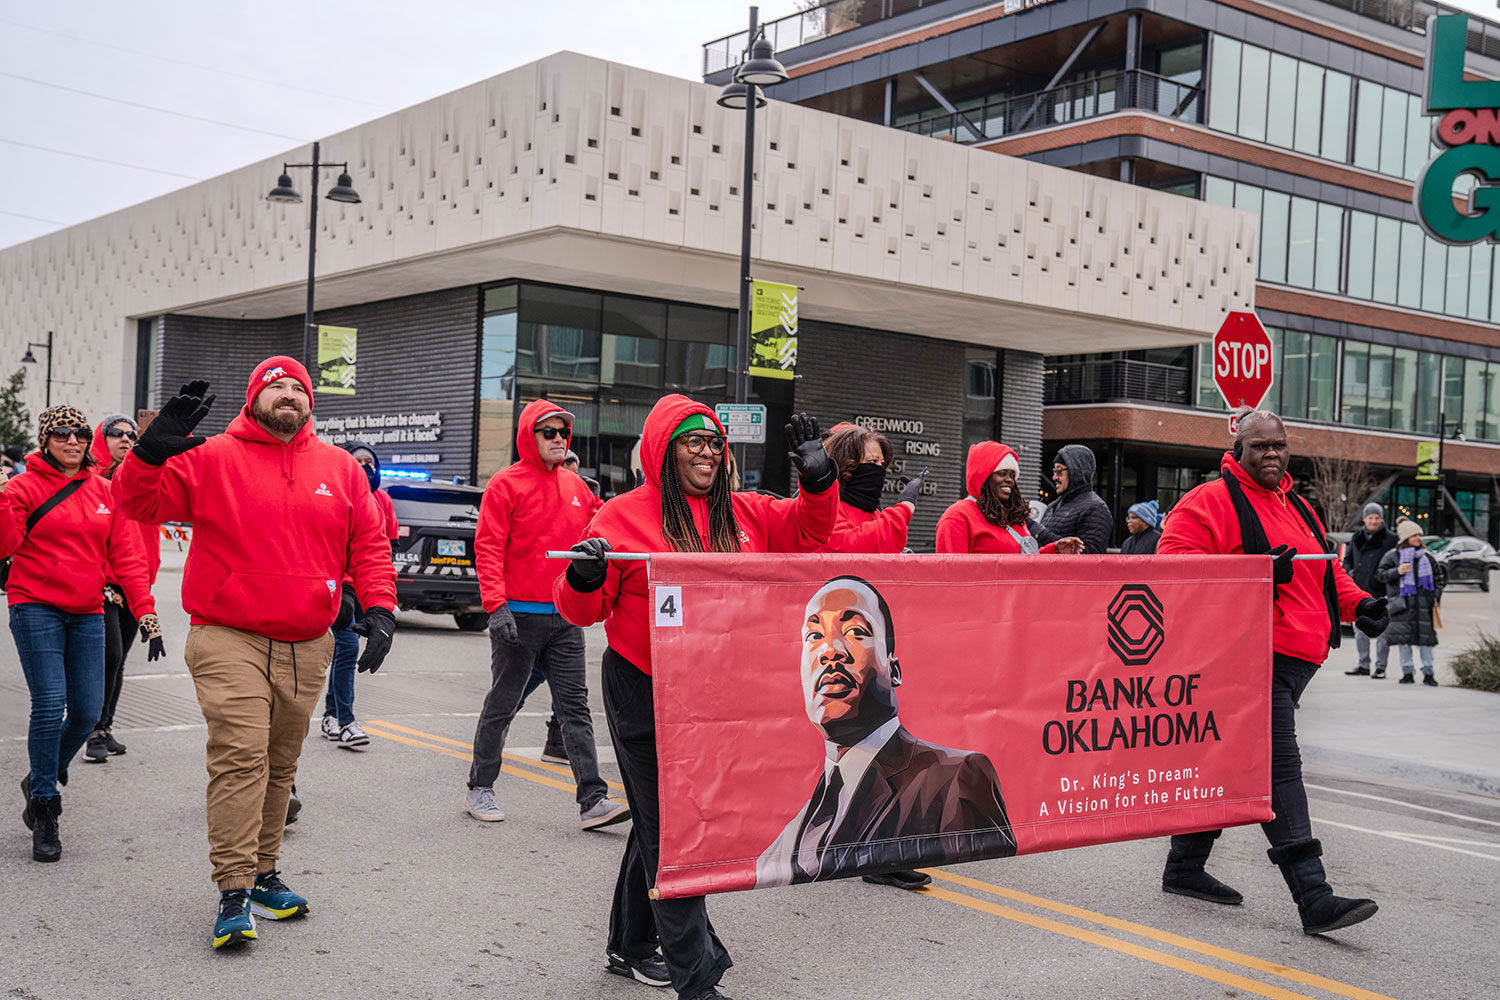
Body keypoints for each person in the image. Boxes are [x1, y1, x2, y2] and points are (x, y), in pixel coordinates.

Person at [554, 398, 839, 1000]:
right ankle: (696, 978)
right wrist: (582, 578)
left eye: (714, 443)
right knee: (677, 833)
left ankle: (629, 944)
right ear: (664, 452)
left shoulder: (745, 512)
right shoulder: (621, 517)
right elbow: (583, 608)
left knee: (660, 823)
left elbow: (812, 531)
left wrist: (819, 480)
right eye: (693, 442)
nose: (707, 452)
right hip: (642, 686)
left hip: (714, 691)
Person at [113, 360, 397, 951]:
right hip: (228, 633)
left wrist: (380, 607)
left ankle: (265, 874)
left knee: (279, 764)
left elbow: (368, 543)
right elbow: (136, 505)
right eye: (276, 387)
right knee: (241, 757)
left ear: (310, 402)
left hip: (308, 641)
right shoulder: (211, 456)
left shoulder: (341, 468)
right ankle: (233, 889)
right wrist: (146, 453)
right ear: (254, 400)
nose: (288, 395)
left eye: (298, 387)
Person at [1155, 410, 1389, 936]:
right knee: (1279, 766)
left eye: (1279, 445)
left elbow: (1326, 571)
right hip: (1246, 658)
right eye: (1260, 446)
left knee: (1226, 763)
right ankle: (1314, 897)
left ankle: (1184, 868)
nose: (1272, 454)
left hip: (1298, 660)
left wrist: (1362, 605)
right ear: (1237, 450)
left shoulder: (1297, 504)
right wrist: (1253, 573)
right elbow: (1172, 567)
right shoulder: (1209, 501)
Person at [756, 576, 1015, 888]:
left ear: (894, 671)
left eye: (855, 632)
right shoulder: (783, 845)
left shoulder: (956, 778)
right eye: (814, 635)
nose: (830, 651)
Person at [2, 406, 158, 862]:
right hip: (34, 605)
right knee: (51, 704)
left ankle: (41, 775)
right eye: (63, 434)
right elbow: (5, 546)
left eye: (80, 434)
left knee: (89, 711)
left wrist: (147, 615)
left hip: (89, 609)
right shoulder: (23, 487)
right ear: (46, 439)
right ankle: (46, 805)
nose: (73, 441)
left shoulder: (106, 491)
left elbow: (128, 559)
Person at [466, 399, 625, 830]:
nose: (558, 439)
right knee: (503, 703)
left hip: (565, 618)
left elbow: (604, 531)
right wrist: (496, 607)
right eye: (548, 432)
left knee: (575, 708)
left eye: (563, 433)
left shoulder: (577, 488)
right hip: (517, 618)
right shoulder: (505, 485)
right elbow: (488, 548)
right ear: (528, 437)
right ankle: (480, 786)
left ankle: (592, 799)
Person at [85, 414, 166, 763]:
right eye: (115, 433)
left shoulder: (143, 479)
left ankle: (106, 725)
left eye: (131, 434)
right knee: (109, 656)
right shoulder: (91, 480)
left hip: (136, 581)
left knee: (118, 663)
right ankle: (91, 730)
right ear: (102, 439)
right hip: (101, 583)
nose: (125, 438)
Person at [317, 440, 399, 751]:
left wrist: (384, 602)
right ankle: (347, 721)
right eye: (358, 460)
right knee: (348, 649)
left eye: (369, 461)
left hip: (368, 586)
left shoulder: (383, 501)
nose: (365, 466)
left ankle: (330, 715)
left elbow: (383, 551)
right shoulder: (331, 493)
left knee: (343, 655)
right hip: (340, 586)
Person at [937, 442, 1082, 554]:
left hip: (1016, 593)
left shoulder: (1014, 516)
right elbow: (951, 575)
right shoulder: (958, 516)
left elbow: (1021, 563)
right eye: (1002, 473)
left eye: (1012, 475)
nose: (1009, 480)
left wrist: (1054, 550)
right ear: (983, 476)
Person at [821, 423, 925, 554]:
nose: (880, 469)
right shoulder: (826, 510)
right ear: (846, 466)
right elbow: (855, 547)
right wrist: (905, 506)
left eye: (882, 464)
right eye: (873, 461)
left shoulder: (873, 513)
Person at [1377, 520, 1446, 687]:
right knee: (1404, 642)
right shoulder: (1392, 556)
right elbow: (1380, 574)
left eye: (1419, 535)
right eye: (1414, 535)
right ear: (1405, 537)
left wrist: (1434, 596)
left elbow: (1439, 579)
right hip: (1402, 605)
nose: (1418, 538)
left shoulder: (1427, 557)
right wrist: (1397, 571)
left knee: (1426, 642)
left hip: (1423, 606)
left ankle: (1429, 673)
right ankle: (1407, 672)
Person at [1343, 502, 1398, 679]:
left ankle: (1380, 668)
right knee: (1360, 630)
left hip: (1381, 591)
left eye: (1377, 518)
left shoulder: (1391, 538)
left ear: (1381, 519)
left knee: (1383, 633)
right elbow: (1348, 559)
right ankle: (1363, 664)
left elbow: (1395, 561)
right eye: (1370, 518)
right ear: (1365, 519)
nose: (1374, 521)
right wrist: (1349, 573)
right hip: (1358, 590)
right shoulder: (1356, 537)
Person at [1036, 444, 1112, 554]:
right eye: (1054, 471)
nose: (1054, 477)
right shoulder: (1053, 505)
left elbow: (1092, 556)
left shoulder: (1096, 508)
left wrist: (1040, 533)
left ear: (1076, 471)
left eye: (1059, 471)